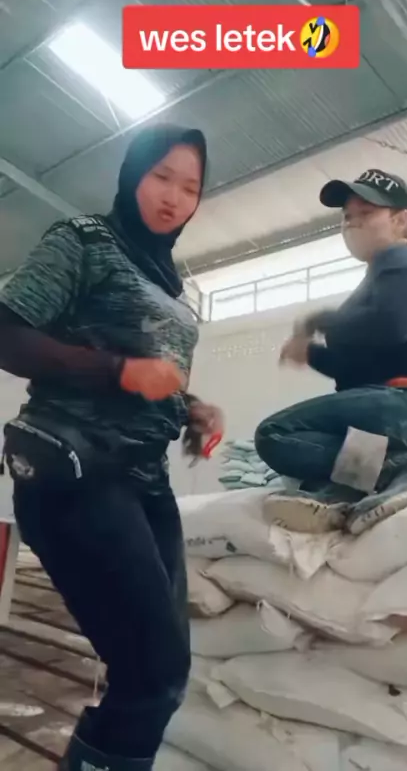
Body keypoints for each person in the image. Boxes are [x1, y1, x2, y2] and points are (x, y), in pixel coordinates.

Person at [0, 125, 223, 771]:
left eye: (190, 187)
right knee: (152, 672)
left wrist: (190, 406)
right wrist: (119, 372)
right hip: (77, 472)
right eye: (161, 177)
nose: (174, 197)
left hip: (144, 480)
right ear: (132, 175)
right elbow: (6, 331)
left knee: (162, 673)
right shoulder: (84, 241)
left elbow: (155, 374)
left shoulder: (173, 287)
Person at [255, 169, 407, 536]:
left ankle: (402, 470)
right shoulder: (381, 279)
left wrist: (322, 320)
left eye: (366, 213)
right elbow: (360, 371)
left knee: (277, 433)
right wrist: (312, 354)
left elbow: (390, 325)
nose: (353, 223)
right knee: (303, 451)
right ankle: (361, 486)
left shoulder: (401, 259)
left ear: (400, 220)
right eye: (347, 216)